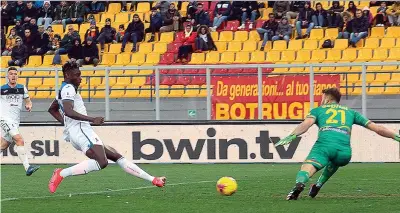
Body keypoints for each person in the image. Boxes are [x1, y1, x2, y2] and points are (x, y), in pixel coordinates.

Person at [47, 61, 166, 193]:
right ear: (68, 75)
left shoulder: (63, 90)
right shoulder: (68, 89)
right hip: (82, 131)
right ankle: (61, 173)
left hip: (79, 132)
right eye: (77, 75)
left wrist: (68, 125)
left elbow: (52, 109)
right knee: (102, 162)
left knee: (115, 156)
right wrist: (93, 119)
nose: (80, 78)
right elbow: (68, 111)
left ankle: (153, 179)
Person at [276, 88, 400, 201]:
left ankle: (300, 184)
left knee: (308, 167)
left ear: (328, 98)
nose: (321, 100)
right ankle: (318, 185)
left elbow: (306, 124)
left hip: (325, 146)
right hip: (344, 152)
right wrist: (396, 137)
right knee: (335, 160)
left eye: (322, 97)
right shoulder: (351, 112)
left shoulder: (318, 110)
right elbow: (377, 128)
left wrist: (293, 135)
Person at [1, 67, 40, 176]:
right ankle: (28, 167)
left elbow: (28, 101)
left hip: (15, 121)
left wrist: (28, 105)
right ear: (8, 76)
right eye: (11, 74)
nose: (13, 76)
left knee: (3, 145)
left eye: (15, 74)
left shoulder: (22, 88)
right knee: (19, 140)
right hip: (4, 119)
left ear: (17, 76)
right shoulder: (2, 89)